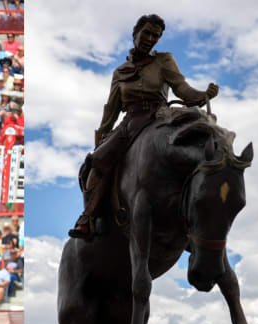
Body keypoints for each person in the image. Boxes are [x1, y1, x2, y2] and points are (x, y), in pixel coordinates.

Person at [69, 14, 219, 238]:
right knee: (97, 161)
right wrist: (101, 136)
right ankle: (89, 216)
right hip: (130, 122)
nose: (150, 39)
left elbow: (182, 89)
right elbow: (112, 108)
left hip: (160, 116)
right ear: (135, 33)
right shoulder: (119, 72)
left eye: (155, 36)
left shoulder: (164, 60)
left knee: (190, 148)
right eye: (147, 33)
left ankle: (196, 218)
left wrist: (203, 95)